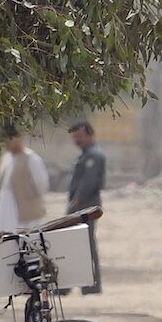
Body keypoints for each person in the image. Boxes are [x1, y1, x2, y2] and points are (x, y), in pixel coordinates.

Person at [66, 120, 106, 294]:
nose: (77, 140)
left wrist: (77, 201)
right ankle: (76, 285)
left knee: (85, 244)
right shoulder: (85, 155)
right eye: (75, 137)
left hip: (86, 206)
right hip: (79, 205)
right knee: (76, 244)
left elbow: (89, 182)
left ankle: (91, 286)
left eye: (80, 136)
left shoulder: (94, 156)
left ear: (90, 135)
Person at [0, 127, 49, 232]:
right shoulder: (7, 158)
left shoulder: (31, 159)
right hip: (5, 210)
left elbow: (41, 184)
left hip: (26, 211)